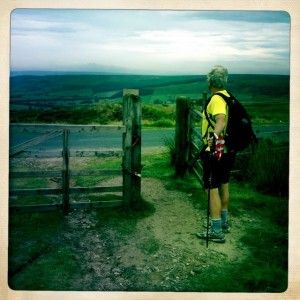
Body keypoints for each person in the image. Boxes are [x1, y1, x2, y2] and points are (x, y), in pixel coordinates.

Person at [196, 65, 237, 243]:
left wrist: (213, 136)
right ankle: (224, 223)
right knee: (224, 184)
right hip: (228, 151)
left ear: (211, 81)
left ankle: (216, 230)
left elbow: (221, 119)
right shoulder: (229, 97)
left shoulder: (216, 99)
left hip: (215, 151)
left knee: (211, 188)